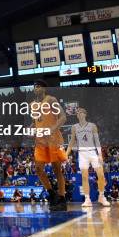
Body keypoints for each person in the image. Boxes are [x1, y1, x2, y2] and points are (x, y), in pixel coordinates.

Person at [31, 80, 68, 211]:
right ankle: (52, 194)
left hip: (53, 139)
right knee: (38, 169)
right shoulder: (33, 105)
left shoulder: (51, 100)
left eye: (39, 86)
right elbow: (35, 122)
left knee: (57, 169)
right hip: (40, 141)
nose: (36, 88)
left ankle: (62, 199)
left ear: (44, 88)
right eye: (35, 86)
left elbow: (63, 117)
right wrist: (30, 130)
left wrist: (52, 129)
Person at [66, 107, 110, 207]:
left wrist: (100, 154)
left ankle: (102, 196)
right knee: (84, 177)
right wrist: (66, 154)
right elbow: (72, 141)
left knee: (101, 175)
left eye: (80, 112)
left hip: (93, 152)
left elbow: (97, 141)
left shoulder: (92, 126)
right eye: (77, 113)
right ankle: (87, 199)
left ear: (85, 114)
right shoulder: (74, 127)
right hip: (82, 153)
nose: (79, 114)